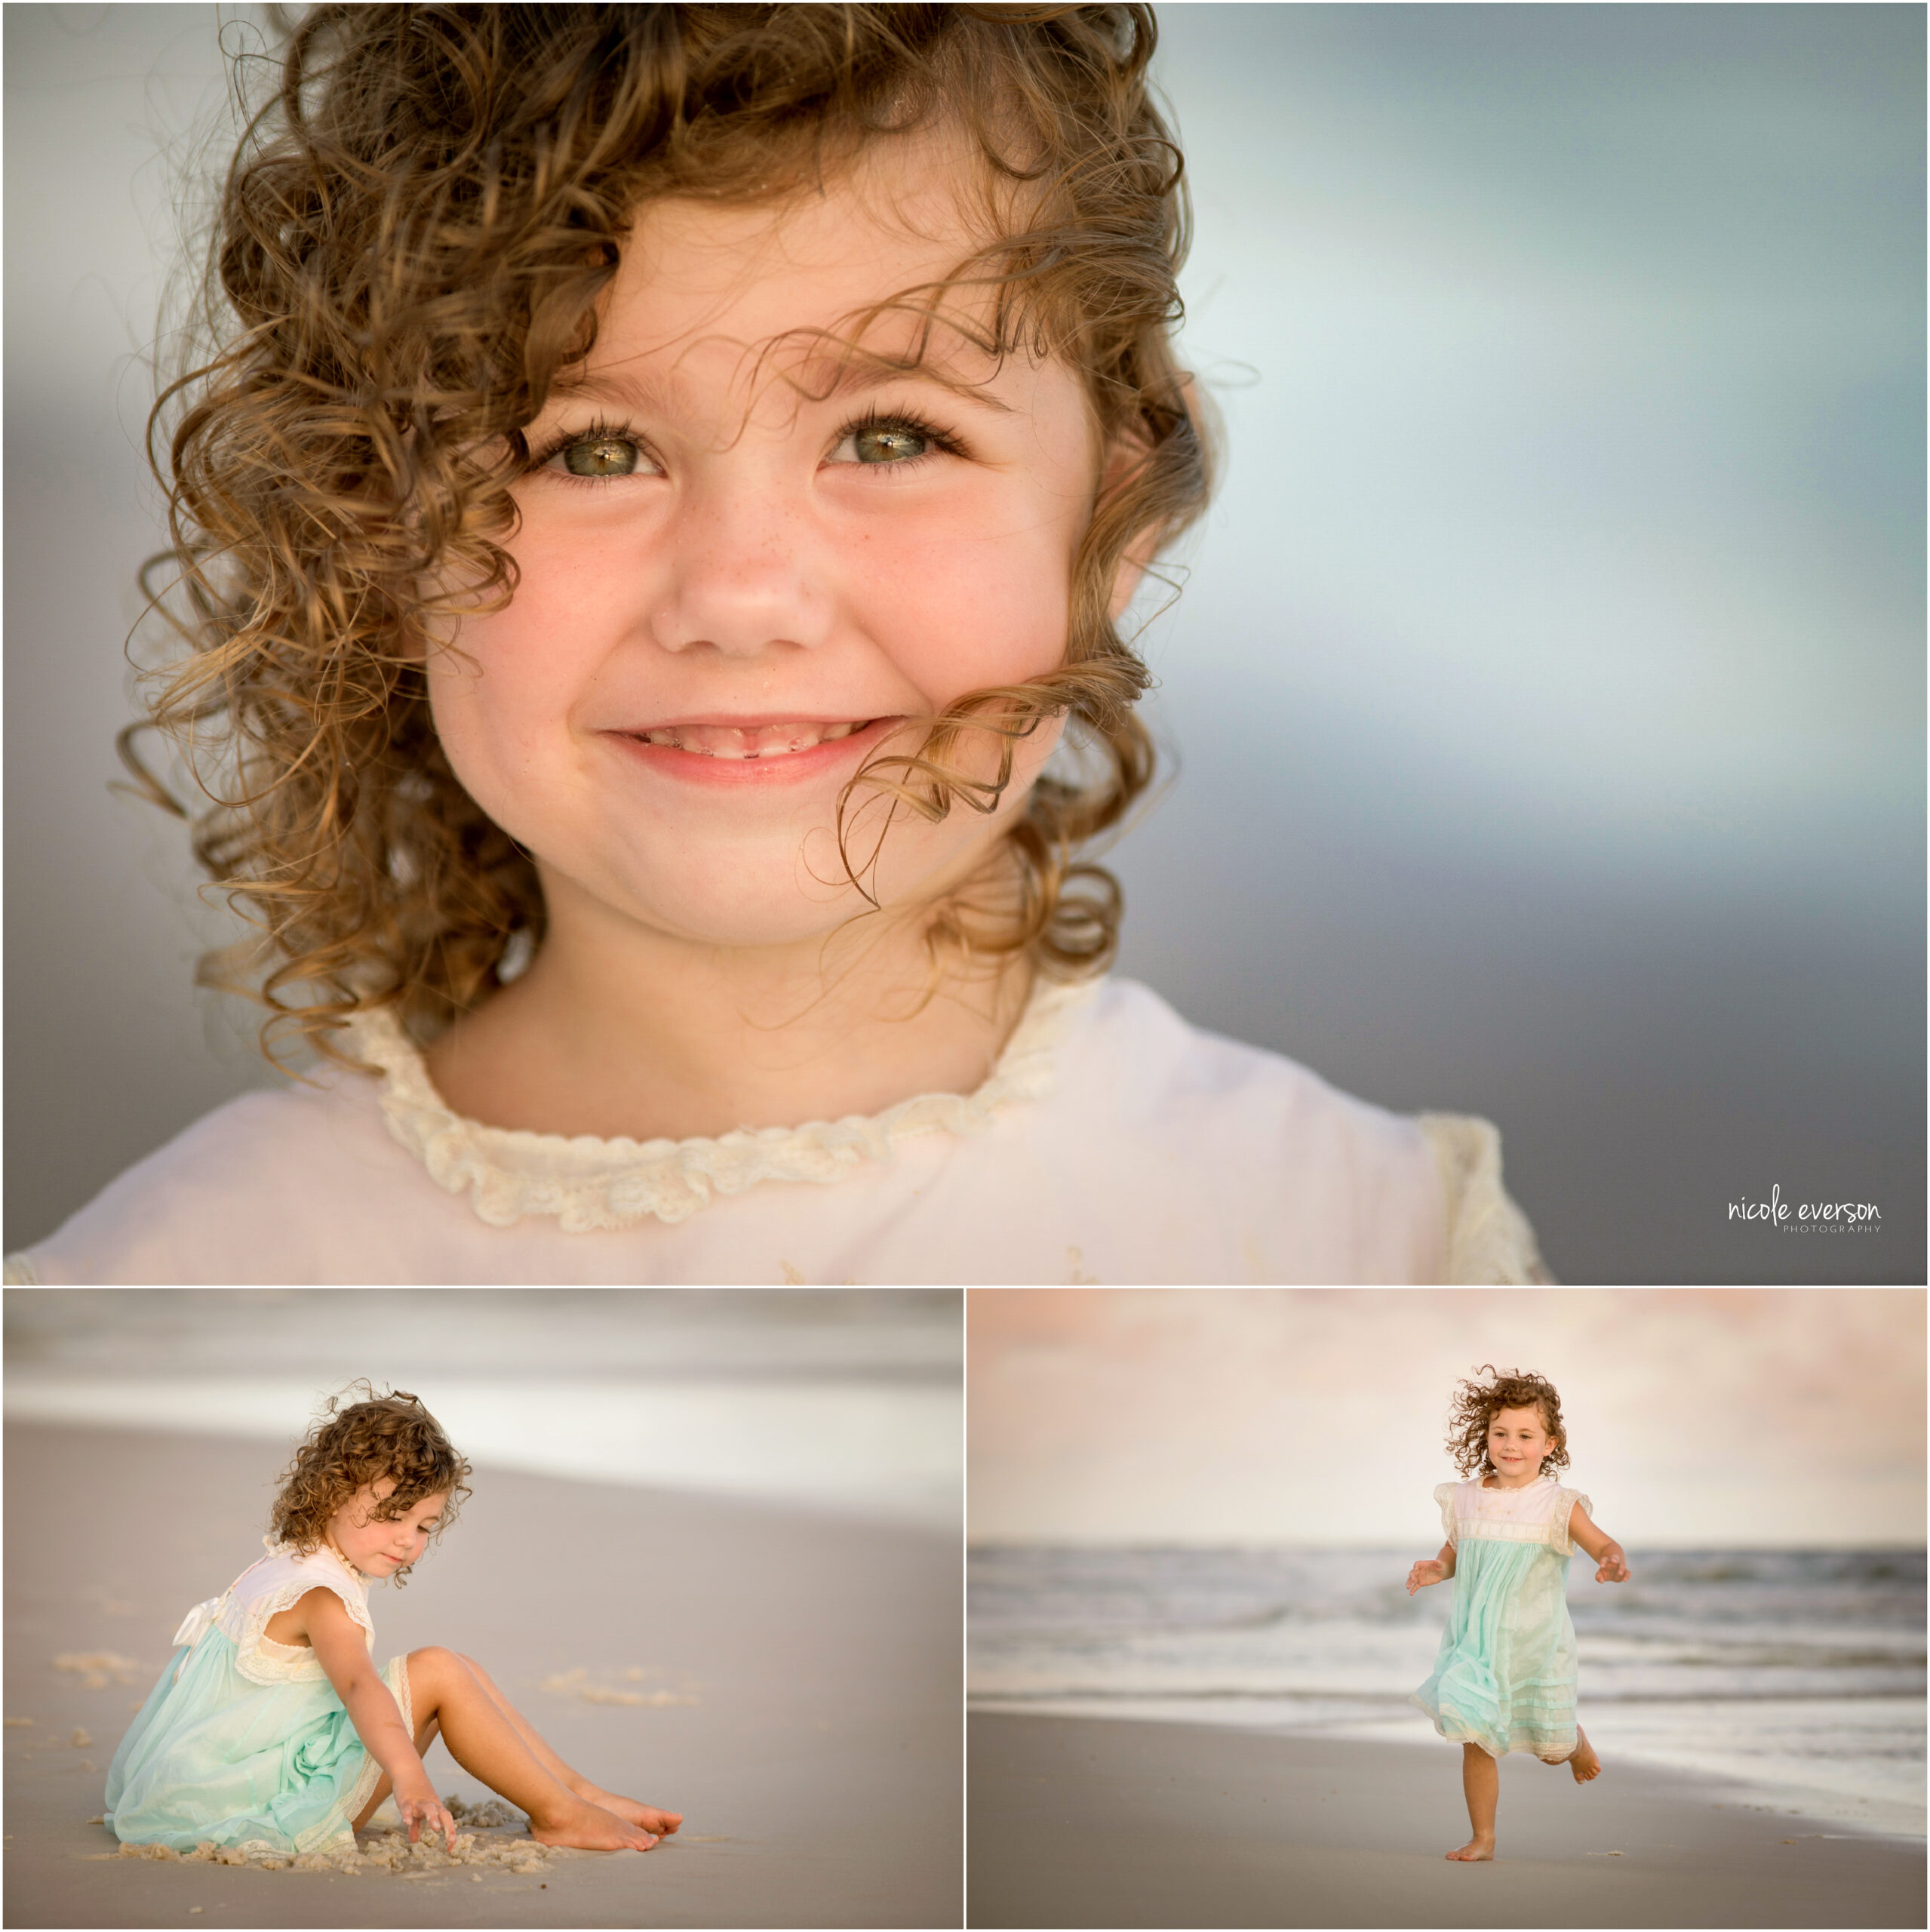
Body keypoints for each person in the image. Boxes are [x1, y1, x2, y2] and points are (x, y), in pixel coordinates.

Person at [8, 4, 1545, 1285]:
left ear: (1119, 509)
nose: (741, 596)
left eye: (890, 432)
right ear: (371, 528)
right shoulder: (161, 1279)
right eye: (587, 451)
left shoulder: (1359, 1238)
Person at [104, 1387, 679, 1860]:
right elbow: (357, 1684)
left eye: (426, 1526)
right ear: (332, 1492)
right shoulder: (322, 1596)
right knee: (440, 1671)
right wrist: (408, 1774)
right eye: (392, 1516)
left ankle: (577, 1791)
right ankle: (560, 1813)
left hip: (206, 1780)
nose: (408, 1539)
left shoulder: (287, 1557)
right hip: (263, 1800)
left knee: (459, 1668)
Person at [1406, 1364, 1629, 1862]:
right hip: (1476, 1646)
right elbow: (1456, 1551)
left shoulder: (1557, 1505)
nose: (1511, 1444)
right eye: (1500, 1432)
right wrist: (1437, 1569)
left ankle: (1574, 1743)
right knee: (1474, 1732)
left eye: (1526, 1435)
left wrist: (1612, 1558)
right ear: (1485, 1435)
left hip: (1536, 1642)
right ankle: (1483, 1837)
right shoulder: (1469, 1498)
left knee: (1550, 1749)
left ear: (1549, 1445)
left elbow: (1600, 1542)